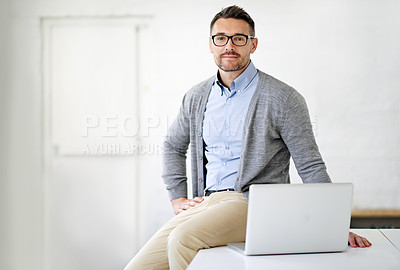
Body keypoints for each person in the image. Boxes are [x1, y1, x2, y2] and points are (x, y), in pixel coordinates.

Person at [124, 5, 371, 270]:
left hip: (251, 204)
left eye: (239, 38)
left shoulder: (283, 98)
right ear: (210, 44)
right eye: (221, 38)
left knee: (182, 240)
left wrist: (333, 225)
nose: (229, 46)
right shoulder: (196, 97)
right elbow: (173, 145)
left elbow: (310, 164)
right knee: (140, 266)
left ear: (253, 45)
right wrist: (177, 198)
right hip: (205, 204)